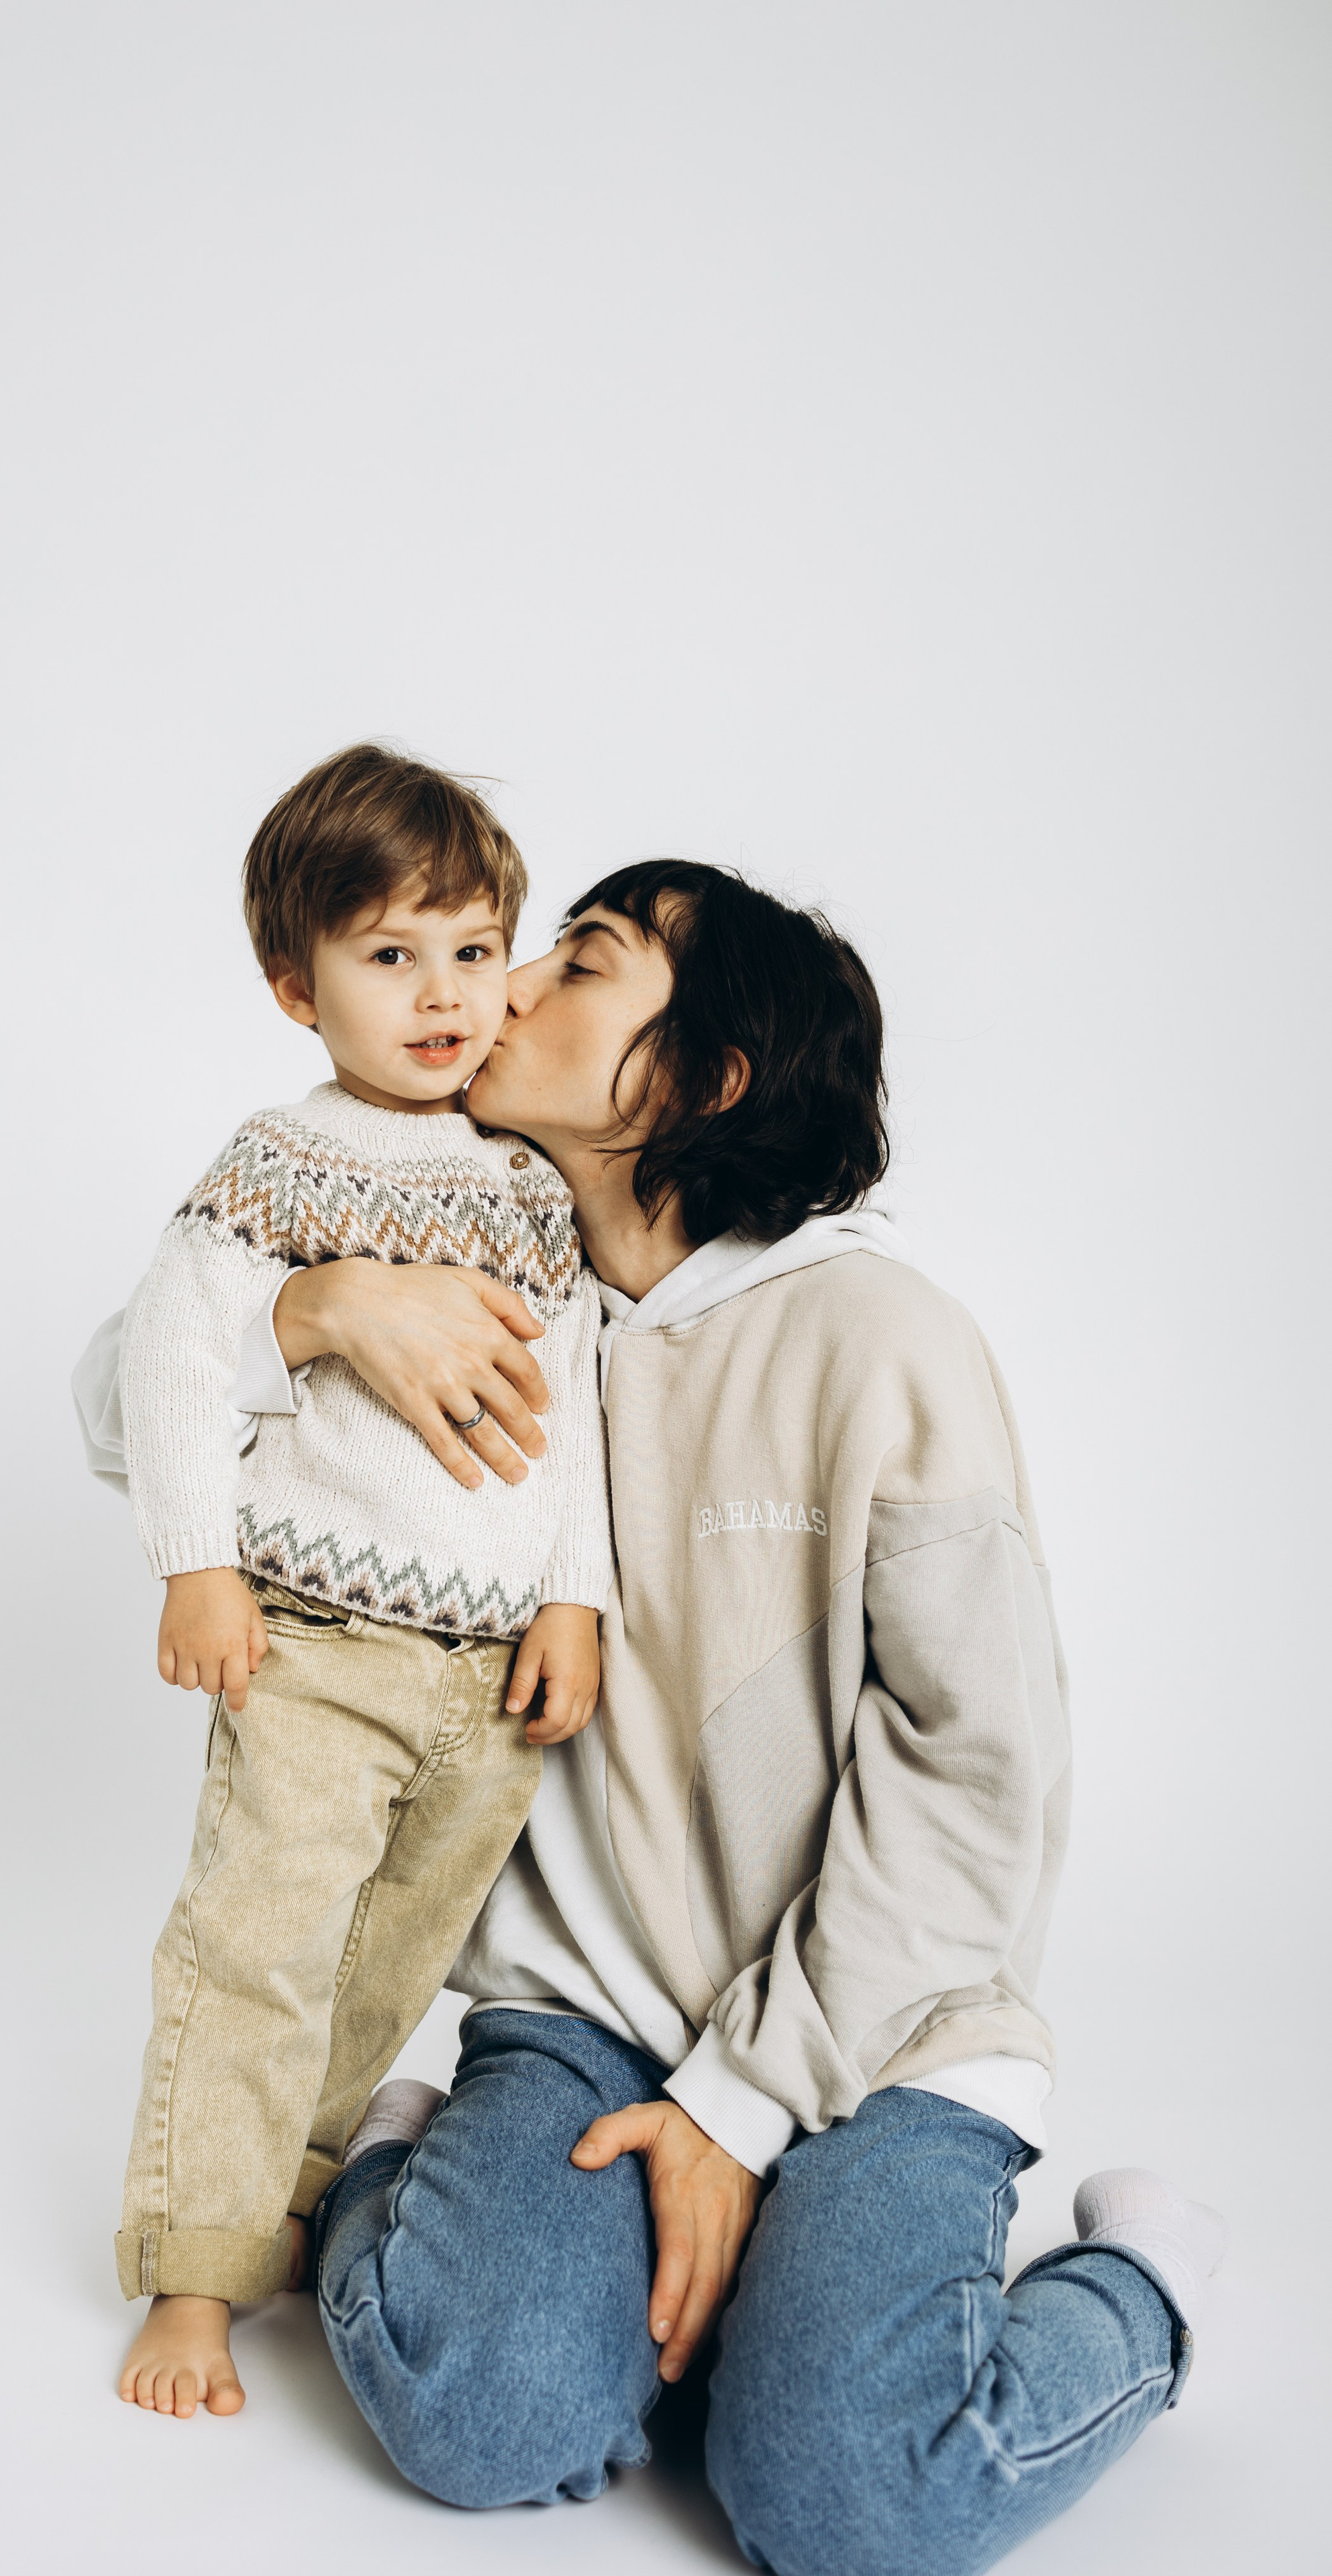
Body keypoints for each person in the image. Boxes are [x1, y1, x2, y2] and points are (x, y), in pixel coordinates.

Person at [232, 860, 1225, 2576]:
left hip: (876, 2036)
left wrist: (738, 2115)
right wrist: (318, 1307)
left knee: (847, 2506)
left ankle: (1140, 2281)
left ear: (702, 1079)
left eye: (583, 961)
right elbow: (127, 1413)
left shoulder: (873, 1335)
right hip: (586, 2015)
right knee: (476, 2411)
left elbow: (975, 1779)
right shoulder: (472, 1296)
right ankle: (419, 2169)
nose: (509, 980)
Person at [89, 746, 611, 2422]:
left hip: (485, 1683)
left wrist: (573, 1598)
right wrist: (197, 1567)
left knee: (389, 1963)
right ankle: (194, 2272)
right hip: (317, 1644)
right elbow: (174, 1357)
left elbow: (583, 1411)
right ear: (291, 983)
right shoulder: (280, 1160)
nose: (444, 993)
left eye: (473, 949)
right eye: (388, 956)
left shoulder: (537, 1187)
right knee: (257, 1945)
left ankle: (296, 2192)